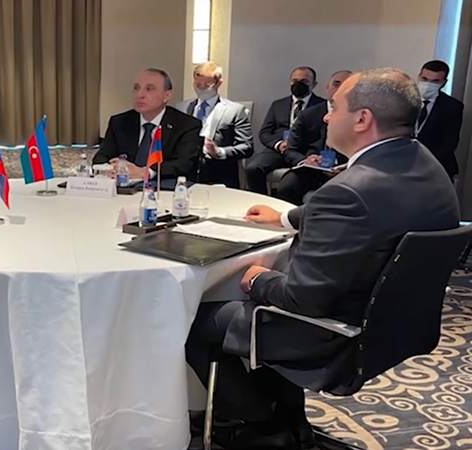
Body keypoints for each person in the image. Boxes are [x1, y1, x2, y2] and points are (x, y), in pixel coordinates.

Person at [186, 68, 459, 449]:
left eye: (335, 108)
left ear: (362, 119)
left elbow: (303, 298)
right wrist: (286, 217)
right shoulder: (423, 164)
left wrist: (257, 278)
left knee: (192, 320)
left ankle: (264, 425)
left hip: (331, 331)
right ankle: (288, 419)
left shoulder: (349, 191)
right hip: (393, 326)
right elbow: (371, 210)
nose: (327, 117)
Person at [92, 68, 202, 180]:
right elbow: (101, 157)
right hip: (123, 185)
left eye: (149, 89)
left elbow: (183, 164)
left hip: (163, 187)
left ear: (167, 96)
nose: (140, 94)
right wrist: (112, 168)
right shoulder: (119, 122)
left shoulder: (186, 125)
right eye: (136, 88)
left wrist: (146, 172)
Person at [244, 66, 326, 194]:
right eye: (295, 81)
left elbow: (323, 134)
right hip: (279, 151)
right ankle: (262, 201)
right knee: (253, 168)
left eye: (304, 81)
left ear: (314, 84)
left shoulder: (322, 106)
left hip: (304, 151)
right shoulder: (278, 105)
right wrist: (279, 144)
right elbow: (265, 133)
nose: (298, 84)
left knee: (293, 183)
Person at [275, 70, 352, 205]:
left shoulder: (360, 117)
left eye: (347, 85)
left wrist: (346, 166)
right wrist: (305, 161)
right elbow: (290, 149)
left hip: (344, 170)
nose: (341, 88)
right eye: (336, 84)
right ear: (327, 87)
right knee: (287, 186)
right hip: (311, 168)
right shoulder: (308, 115)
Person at [175, 62, 253, 188]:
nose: (201, 89)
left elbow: (247, 147)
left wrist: (219, 152)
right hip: (185, 172)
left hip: (218, 173)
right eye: (198, 85)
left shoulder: (235, 110)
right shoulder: (181, 108)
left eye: (207, 85)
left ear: (218, 83)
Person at [414, 59, 464, 180]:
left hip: (436, 166)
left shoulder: (452, 106)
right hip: (404, 161)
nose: (428, 84)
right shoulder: (405, 100)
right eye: (424, 79)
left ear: (444, 82)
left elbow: (450, 142)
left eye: (435, 81)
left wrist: (426, 164)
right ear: (419, 76)